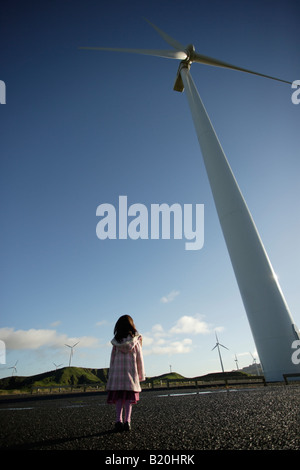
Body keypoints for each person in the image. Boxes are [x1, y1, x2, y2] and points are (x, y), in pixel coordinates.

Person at [106, 315, 145, 432]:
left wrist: (111, 375)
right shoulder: (136, 342)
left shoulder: (116, 343)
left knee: (118, 399)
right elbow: (140, 359)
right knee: (128, 399)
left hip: (117, 376)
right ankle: (127, 421)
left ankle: (118, 420)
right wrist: (141, 375)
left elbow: (112, 360)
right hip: (130, 376)